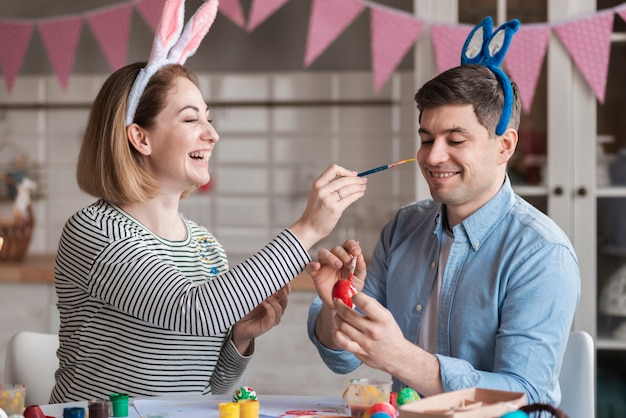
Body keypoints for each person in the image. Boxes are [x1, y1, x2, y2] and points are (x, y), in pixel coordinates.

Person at [50, 3, 368, 401]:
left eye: (209, 118)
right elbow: (192, 311)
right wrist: (307, 228)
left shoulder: (204, 245)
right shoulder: (95, 231)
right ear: (140, 138)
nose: (211, 134)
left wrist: (239, 338)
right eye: (190, 119)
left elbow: (208, 388)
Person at [305, 27, 580, 405]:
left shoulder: (542, 253)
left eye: (455, 140)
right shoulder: (403, 227)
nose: (433, 157)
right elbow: (344, 357)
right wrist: (338, 304)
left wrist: (401, 357)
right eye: (426, 139)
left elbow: (526, 399)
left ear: (505, 145)